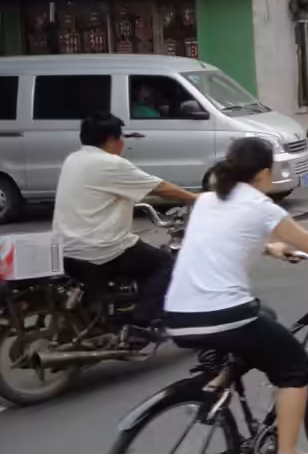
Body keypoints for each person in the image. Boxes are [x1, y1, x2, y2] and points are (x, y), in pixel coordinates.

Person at [163, 137, 308, 454]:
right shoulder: (262, 206)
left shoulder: (206, 201)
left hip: (177, 315)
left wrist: (272, 249)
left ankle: (215, 386)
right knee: (294, 370)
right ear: (263, 173)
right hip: (225, 315)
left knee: (266, 318)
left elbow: (226, 238)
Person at [53, 113, 199, 339]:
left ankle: (110, 315)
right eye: (121, 138)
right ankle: (140, 323)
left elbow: (111, 191)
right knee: (164, 264)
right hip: (99, 248)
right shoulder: (110, 163)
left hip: (66, 247)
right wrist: (196, 198)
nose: (123, 143)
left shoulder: (73, 159)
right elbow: (160, 188)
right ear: (111, 139)